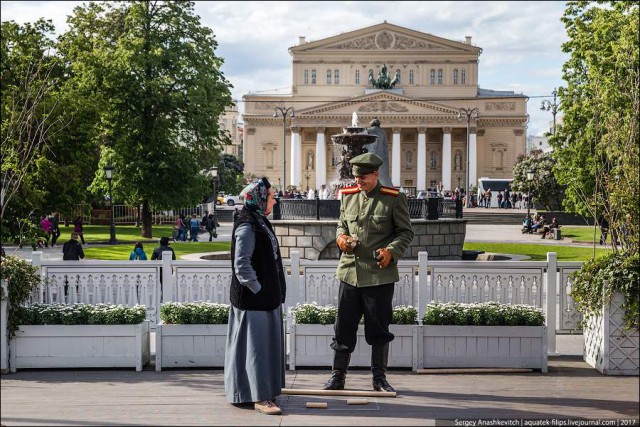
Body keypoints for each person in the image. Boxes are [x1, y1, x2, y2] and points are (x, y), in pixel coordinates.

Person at [323, 153, 414, 393]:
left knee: (379, 329)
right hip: (350, 274)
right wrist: (341, 239)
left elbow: (405, 232)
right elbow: (342, 225)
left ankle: (379, 379)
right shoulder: (348, 197)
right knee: (343, 328)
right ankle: (337, 376)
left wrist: (391, 251)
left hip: (379, 275)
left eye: (362, 177)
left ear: (375, 174)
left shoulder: (394, 199)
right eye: (355, 177)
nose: (358, 182)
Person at [224, 177, 286, 415]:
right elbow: (242, 266)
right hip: (253, 301)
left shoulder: (258, 220)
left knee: (262, 347)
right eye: (271, 196)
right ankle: (259, 398)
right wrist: (260, 290)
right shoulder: (247, 225)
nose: (274, 200)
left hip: (264, 299)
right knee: (256, 349)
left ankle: (261, 391)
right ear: (259, 198)